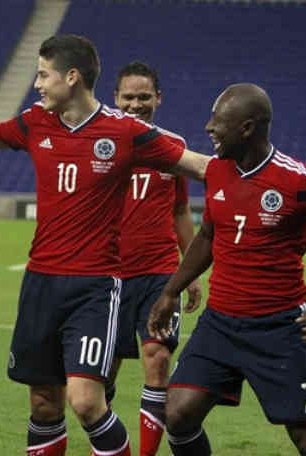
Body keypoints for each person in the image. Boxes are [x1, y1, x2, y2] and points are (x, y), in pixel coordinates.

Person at [0, 34, 210, 456]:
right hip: (40, 283)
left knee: (87, 401)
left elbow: (195, 165)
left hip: (94, 287)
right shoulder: (35, 122)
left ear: (71, 77)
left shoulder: (125, 132)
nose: (37, 84)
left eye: (43, 74)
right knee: (43, 402)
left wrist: (265, 173)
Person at [148, 83, 306, 456]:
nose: (209, 128)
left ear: (247, 128)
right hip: (220, 325)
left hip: (281, 328)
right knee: (177, 416)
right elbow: (209, 235)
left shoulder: (299, 182)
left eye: (218, 121)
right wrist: (170, 290)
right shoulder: (218, 173)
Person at [107, 61, 202, 456]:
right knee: (99, 376)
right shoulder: (102, 143)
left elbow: (180, 211)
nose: (135, 104)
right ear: (115, 98)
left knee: (157, 358)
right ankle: (109, 445)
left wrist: (190, 270)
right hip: (107, 275)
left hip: (160, 274)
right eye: (128, 96)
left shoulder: (171, 147)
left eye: (144, 97)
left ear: (158, 98)